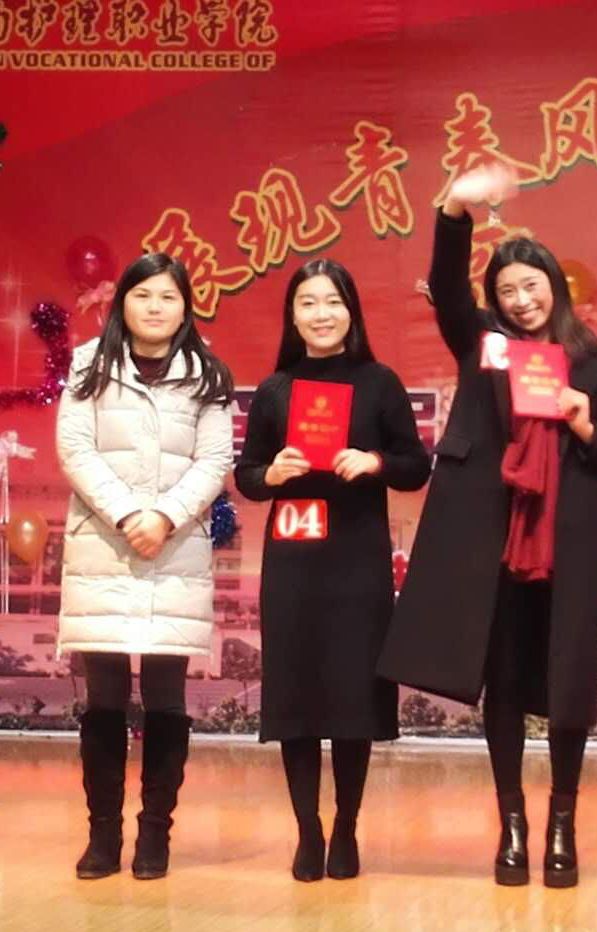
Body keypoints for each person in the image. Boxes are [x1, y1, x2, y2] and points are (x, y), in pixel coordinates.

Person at [378, 165, 597, 888]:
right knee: (505, 684)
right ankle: (513, 824)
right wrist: (454, 208)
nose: (521, 300)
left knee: (568, 687)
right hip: (493, 541)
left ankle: (562, 824)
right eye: (508, 290)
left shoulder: (596, 362)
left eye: (532, 285)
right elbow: (447, 285)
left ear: (556, 286)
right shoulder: (483, 343)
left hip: (567, 542)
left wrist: (585, 423)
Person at [234, 259, 430, 881]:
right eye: (309, 303)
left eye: (333, 302)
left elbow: (415, 465)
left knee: (352, 698)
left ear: (351, 311)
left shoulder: (380, 383)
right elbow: (247, 475)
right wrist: (272, 473)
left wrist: (374, 462)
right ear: (293, 316)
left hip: (357, 563)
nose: (322, 314)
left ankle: (345, 826)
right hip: (294, 565)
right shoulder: (275, 389)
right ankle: (308, 831)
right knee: (296, 697)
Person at [57, 252, 234, 880]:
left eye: (168, 296)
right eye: (143, 295)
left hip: (175, 552)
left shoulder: (208, 374)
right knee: (103, 698)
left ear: (185, 308)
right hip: (104, 548)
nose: (155, 307)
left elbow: (215, 461)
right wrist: (130, 513)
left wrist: (165, 516)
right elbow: (74, 448)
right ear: (122, 302)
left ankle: (155, 834)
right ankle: (102, 836)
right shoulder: (88, 364)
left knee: (166, 699)